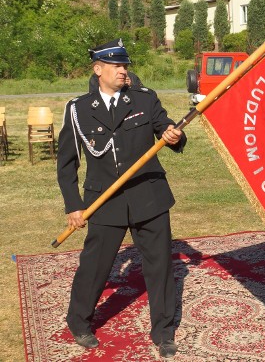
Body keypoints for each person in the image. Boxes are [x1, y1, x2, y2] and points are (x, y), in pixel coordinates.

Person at [57, 39, 186, 358]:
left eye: (125, 65)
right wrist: (74, 205)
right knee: (95, 265)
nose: (123, 70)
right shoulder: (78, 110)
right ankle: (79, 322)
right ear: (98, 69)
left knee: (160, 267)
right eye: (116, 65)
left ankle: (164, 331)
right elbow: (67, 163)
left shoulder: (144, 98)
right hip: (105, 200)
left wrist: (174, 134)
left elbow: (165, 128)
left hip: (150, 196)